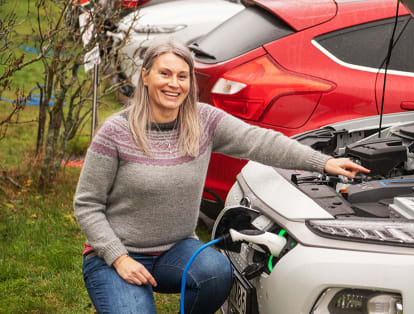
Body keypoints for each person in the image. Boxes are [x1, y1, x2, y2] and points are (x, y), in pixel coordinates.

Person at [73, 39, 369, 314]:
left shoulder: (204, 121)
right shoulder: (115, 132)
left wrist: (323, 162)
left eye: (182, 76)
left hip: (175, 251)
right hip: (113, 256)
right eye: (165, 74)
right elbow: (87, 204)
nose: (173, 84)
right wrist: (119, 258)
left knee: (215, 272)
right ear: (145, 76)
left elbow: (261, 142)